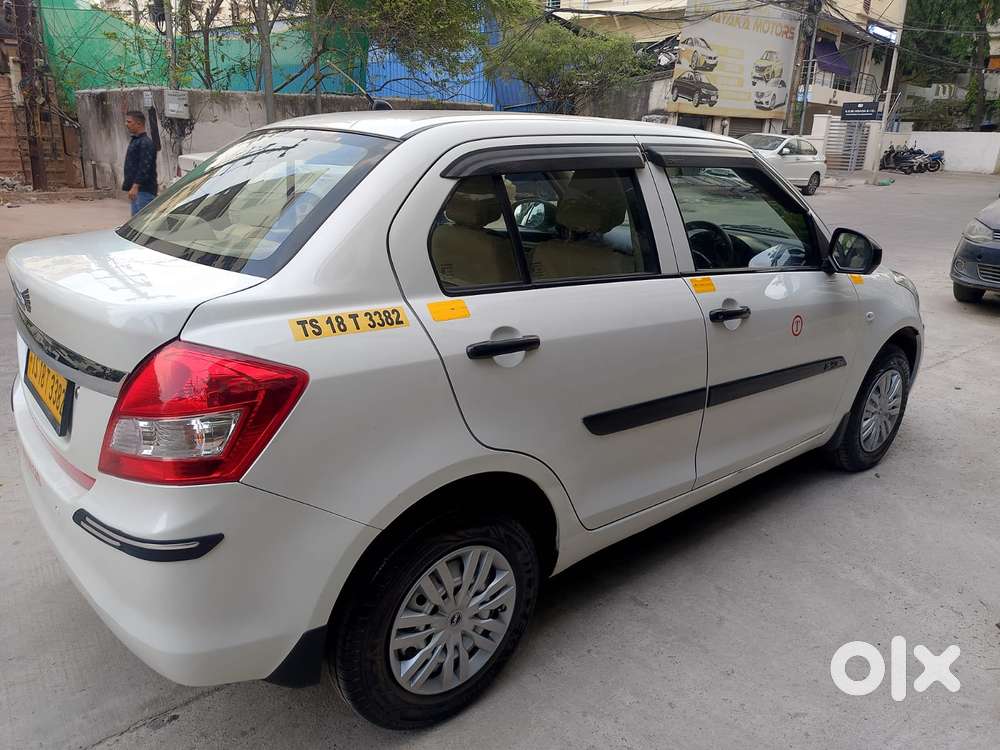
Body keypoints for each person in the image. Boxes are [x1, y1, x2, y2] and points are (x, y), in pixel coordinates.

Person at [122, 110, 157, 215]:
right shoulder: (136, 141)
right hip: (138, 191)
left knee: (141, 222)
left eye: (129, 122)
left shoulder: (145, 143)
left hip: (144, 191)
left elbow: (144, 167)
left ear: (138, 123)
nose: (126, 125)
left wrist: (135, 186)